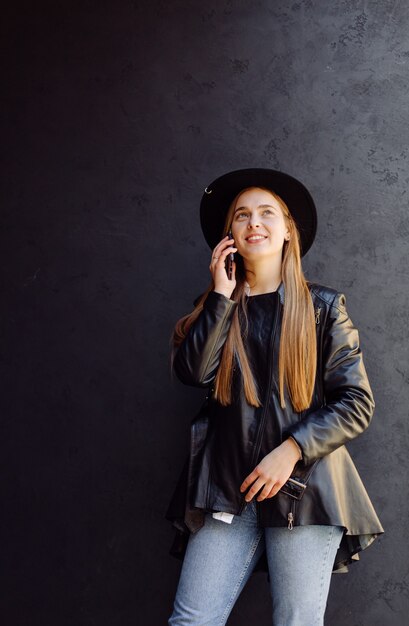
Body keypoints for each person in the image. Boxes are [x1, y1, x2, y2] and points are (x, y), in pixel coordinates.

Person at [165, 168, 384, 626]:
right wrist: (221, 299)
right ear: (230, 236)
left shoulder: (324, 307)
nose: (254, 223)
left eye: (267, 213)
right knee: (192, 620)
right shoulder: (218, 310)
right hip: (230, 490)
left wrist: (292, 450)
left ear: (288, 231)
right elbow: (194, 372)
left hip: (304, 491)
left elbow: (356, 403)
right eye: (241, 216)